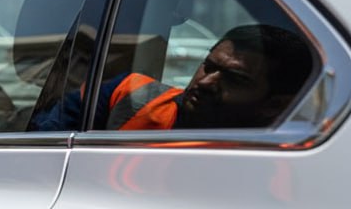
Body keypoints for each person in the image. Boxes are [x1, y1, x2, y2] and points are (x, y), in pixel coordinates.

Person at [32, 23, 314, 132]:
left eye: (235, 78)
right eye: (208, 65)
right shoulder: (130, 93)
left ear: (276, 105)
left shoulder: (277, 161)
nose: (205, 82)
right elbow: (39, 142)